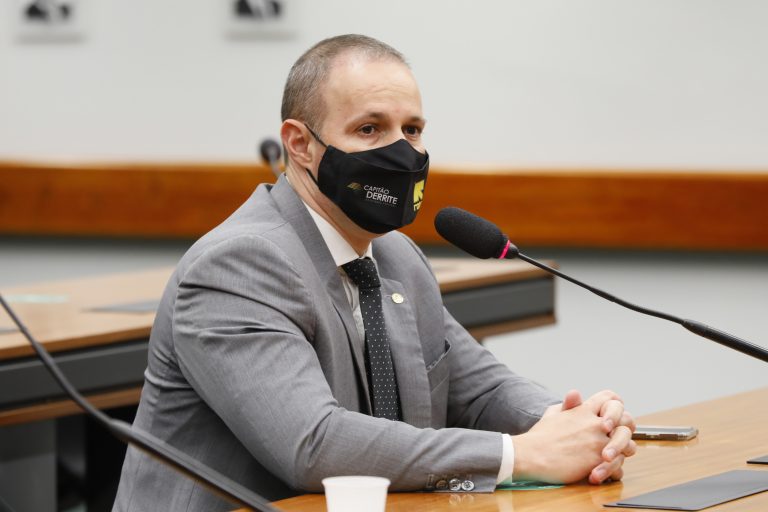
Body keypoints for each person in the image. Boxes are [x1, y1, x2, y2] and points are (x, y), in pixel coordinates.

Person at [113, 34, 635, 511]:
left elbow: (479, 390)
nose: (401, 151)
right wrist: (520, 455)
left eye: (412, 130)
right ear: (300, 144)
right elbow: (314, 444)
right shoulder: (239, 264)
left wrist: (572, 423)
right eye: (370, 129)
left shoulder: (396, 257)